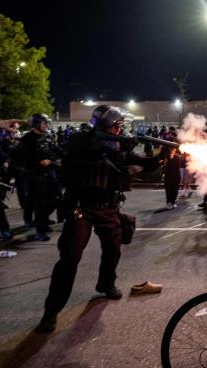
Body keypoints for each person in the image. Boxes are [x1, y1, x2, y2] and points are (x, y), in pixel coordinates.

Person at [34, 105, 160, 333]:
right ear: (102, 124)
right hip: (82, 208)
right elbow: (81, 151)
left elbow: (143, 162)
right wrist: (111, 143)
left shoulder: (118, 145)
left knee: (114, 250)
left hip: (108, 208)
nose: (119, 129)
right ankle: (51, 312)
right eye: (115, 125)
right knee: (70, 258)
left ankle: (106, 284)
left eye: (121, 125)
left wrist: (163, 156)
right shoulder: (82, 141)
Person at [17, 114, 60, 241]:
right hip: (34, 174)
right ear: (36, 124)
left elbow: (54, 152)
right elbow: (21, 159)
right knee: (38, 202)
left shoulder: (48, 136)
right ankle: (39, 230)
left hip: (49, 172)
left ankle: (43, 219)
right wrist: (37, 162)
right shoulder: (27, 139)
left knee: (55, 197)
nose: (47, 125)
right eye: (44, 123)